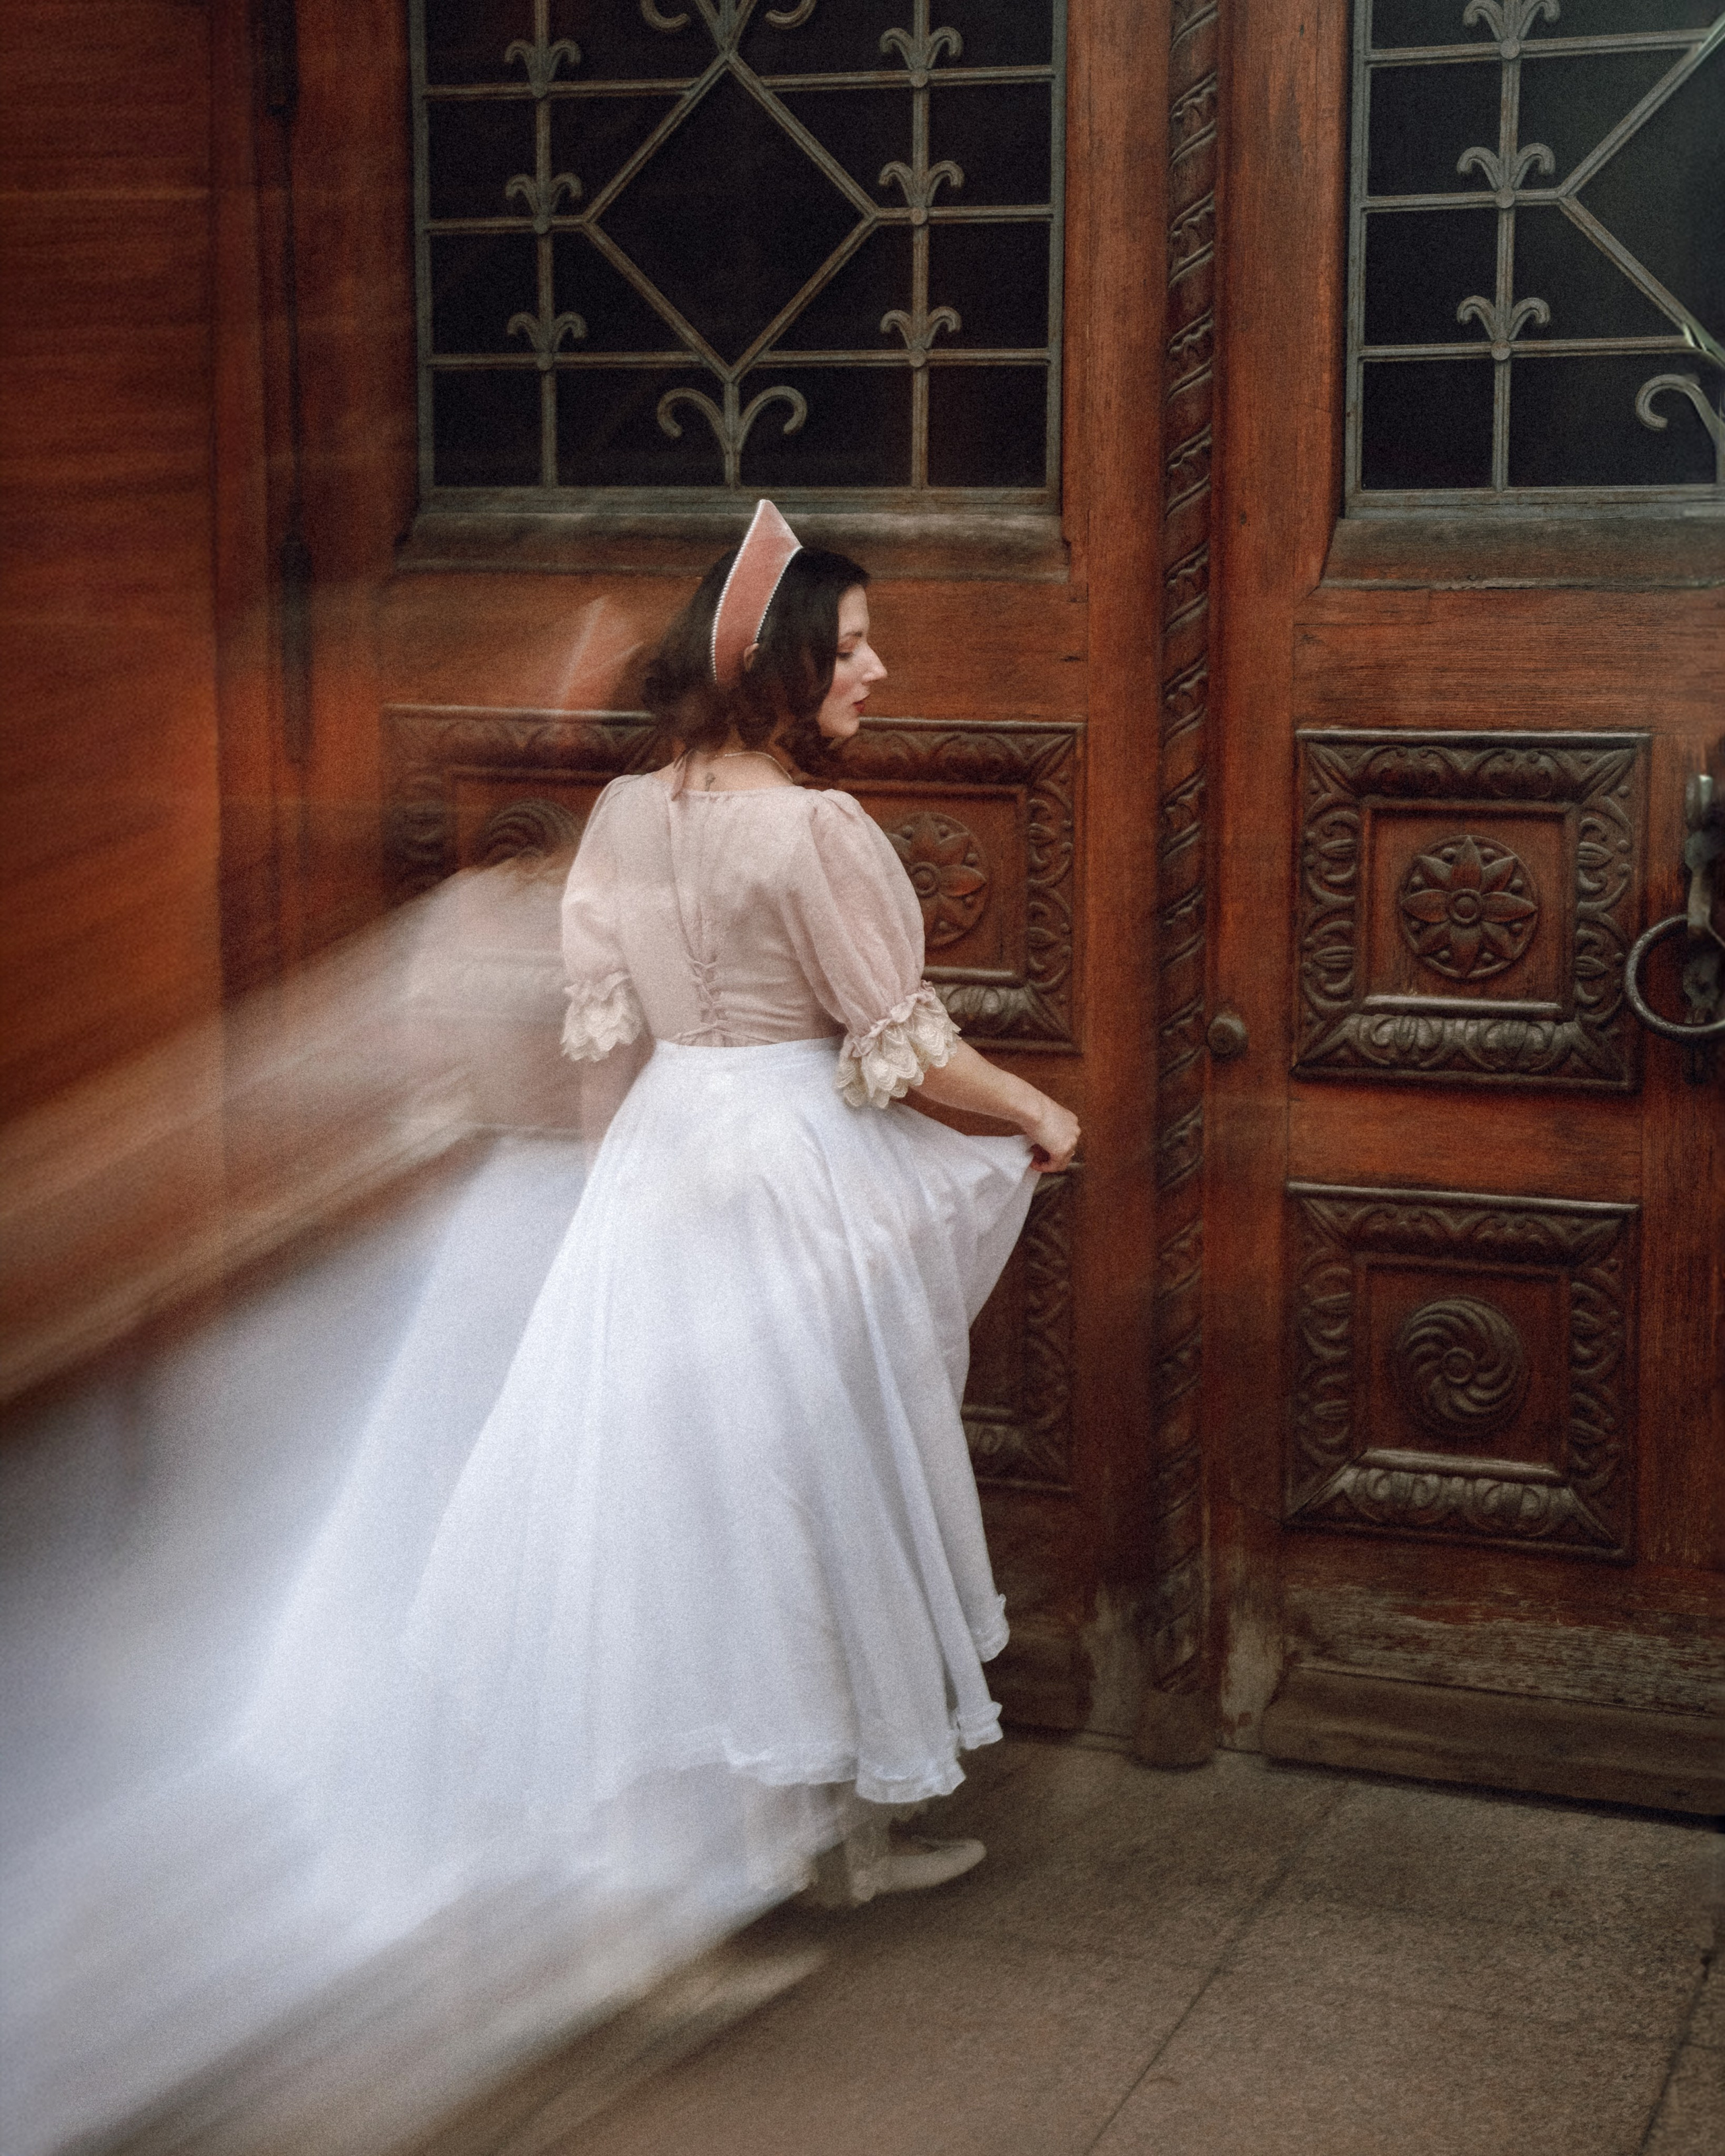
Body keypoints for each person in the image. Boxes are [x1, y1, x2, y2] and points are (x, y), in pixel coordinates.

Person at [402, 499, 1081, 1909]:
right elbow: (900, 1044)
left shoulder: (623, 812)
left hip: (664, 1150)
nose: (875, 669)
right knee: (814, 1474)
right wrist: (1033, 1108)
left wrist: (610, 1193)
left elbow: (605, 1038)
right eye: (853, 645)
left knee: (690, 1488)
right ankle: (837, 1842)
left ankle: (730, 1836)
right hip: (791, 1155)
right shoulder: (814, 829)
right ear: (781, 666)